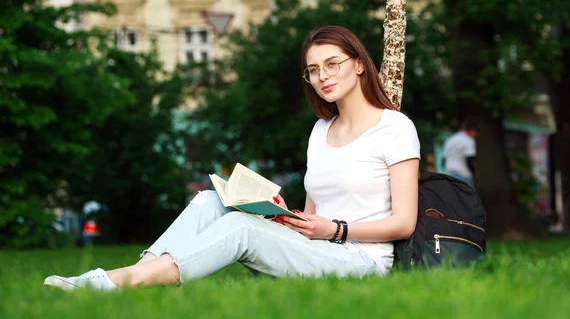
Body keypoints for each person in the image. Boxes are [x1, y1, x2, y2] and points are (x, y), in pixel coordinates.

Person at [44, 26, 421, 291]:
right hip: (319, 249)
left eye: (332, 64)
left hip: (361, 262)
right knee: (212, 201)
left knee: (240, 229)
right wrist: (284, 218)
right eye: (313, 70)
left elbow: (404, 223)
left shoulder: (394, 127)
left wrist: (336, 230)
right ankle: (134, 277)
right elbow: (312, 214)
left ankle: (114, 282)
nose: (322, 76)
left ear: (358, 63)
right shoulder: (321, 130)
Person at [441, 118, 478, 187]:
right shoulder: (469, 140)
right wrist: (474, 172)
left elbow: (443, 161)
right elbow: (469, 160)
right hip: (464, 175)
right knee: (467, 197)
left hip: (449, 176)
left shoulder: (450, 140)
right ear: (473, 130)